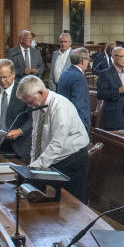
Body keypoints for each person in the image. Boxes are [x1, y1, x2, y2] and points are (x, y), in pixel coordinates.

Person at [16, 75, 90, 203]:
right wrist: (33, 164)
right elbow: (36, 136)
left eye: (30, 102)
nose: (29, 106)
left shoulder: (60, 106)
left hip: (72, 159)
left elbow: (57, 144)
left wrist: (34, 167)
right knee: (46, 201)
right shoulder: (37, 105)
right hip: (53, 157)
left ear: (40, 92)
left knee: (71, 204)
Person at [0, 58, 32, 160]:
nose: (2, 81)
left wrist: (19, 131)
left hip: (20, 147)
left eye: (5, 77)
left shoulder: (24, 91)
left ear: (13, 74)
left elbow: (32, 118)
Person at [96, 46, 124, 130]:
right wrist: (119, 90)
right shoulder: (105, 74)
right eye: (122, 56)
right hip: (113, 117)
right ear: (114, 57)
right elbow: (100, 94)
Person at [57, 47, 91, 132]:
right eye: (88, 59)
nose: (88, 62)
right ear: (83, 60)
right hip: (76, 124)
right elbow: (79, 104)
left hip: (63, 118)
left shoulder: (65, 73)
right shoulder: (79, 77)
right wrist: (85, 125)